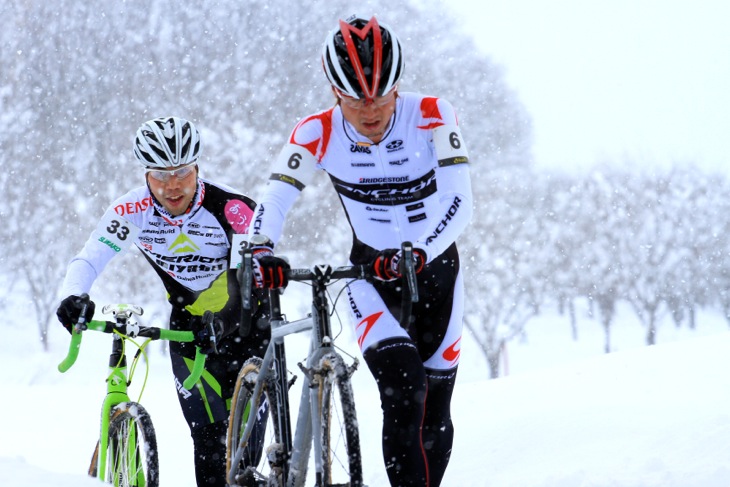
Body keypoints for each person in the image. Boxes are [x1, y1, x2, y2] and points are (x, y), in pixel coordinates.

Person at [246, 15, 473, 486]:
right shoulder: (316, 131)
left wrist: (421, 252)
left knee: (435, 408)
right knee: (404, 391)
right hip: (370, 277)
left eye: (382, 97)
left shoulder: (432, 113)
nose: (371, 111)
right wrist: (260, 247)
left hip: (437, 272)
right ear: (334, 92)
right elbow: (276, 194)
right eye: (355, 99)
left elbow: (459, 201)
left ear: (397, 89)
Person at [55, 116, 269, 486]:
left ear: (197, 167)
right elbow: (88, 258)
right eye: (160, 174)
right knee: (207, 444)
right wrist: (74, 296)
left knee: (243, 454)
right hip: (188, 328)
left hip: (246, 326)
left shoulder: (234, 208)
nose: (172, 185)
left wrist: (222, 321)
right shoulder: (131, 211)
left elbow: (248, 283)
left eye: (182, 172)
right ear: (145, 174)